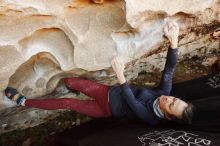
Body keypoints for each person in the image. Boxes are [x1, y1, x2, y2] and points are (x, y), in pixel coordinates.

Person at [4, 21, 194, 126]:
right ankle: (73, 87)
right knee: (70, 81)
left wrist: (120, 75)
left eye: (170, 105)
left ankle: (23, 101)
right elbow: (169, 70)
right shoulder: (164, 94)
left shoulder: (151, 118)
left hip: (107, 109)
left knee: (68, 103)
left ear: (168, 116)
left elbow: (132, 103)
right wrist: (174, 41)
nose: (168, 99)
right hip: (108, 92)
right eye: (174, 99)